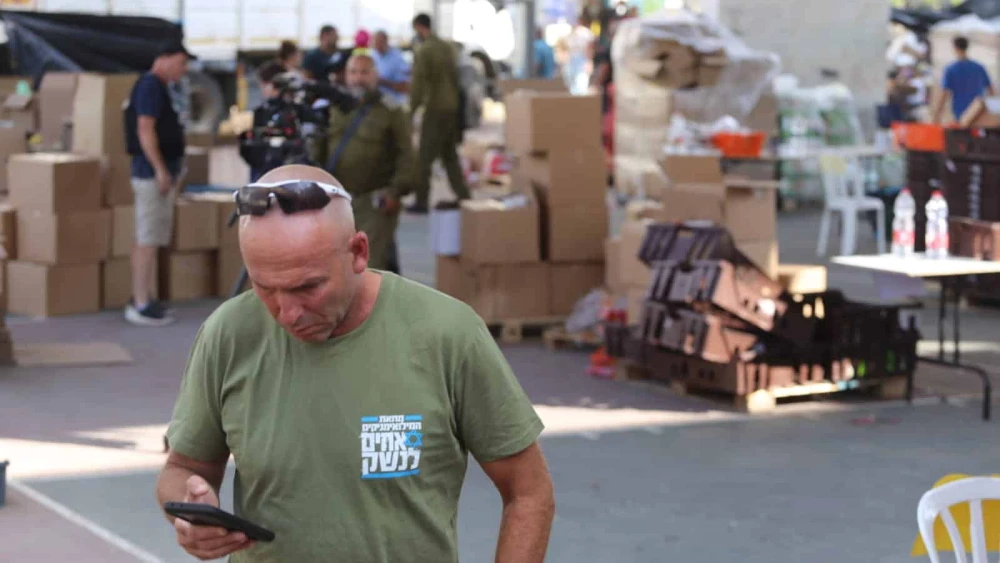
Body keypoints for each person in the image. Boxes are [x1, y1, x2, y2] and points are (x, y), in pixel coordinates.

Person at [155, 163, 555, 562]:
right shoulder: (228, 334)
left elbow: (528, 492)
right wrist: (189, 513)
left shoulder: (447, 334)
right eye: (265, 288)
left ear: (359, 252)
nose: (287, 312)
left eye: (307, 287)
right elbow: (182, 468)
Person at [309, 53, 413, 272]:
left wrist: (395, 192)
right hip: (336, 201)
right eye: (353, 72)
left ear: (376, 76)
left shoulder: (390, 110)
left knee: (367, 268)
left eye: (365, 72)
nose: (358, 78)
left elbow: (407, 155)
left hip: (374, 202)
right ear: (346, 76)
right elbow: (317, 149)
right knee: (336, 266)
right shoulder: (333, 107)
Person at [123, 40, 195, 326]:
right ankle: (140, 303)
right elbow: (145, 128)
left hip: (158, 172)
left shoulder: (159, 86)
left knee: (150, 238)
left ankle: (145, 297)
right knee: (147, 239)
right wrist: (161, 170)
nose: (184, 69)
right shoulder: (150, 86)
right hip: (152, 174)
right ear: (163, 59)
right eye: (181, 62)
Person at [408, 13, 470, 214]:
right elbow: (457, 79)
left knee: (423, 158)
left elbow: (418, 85)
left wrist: (410, 112)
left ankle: (421, 201)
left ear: (418, 27)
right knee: (449, 155)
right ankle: (464, 196)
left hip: (435, 108)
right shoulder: (447, 47)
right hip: (451, 107)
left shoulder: (424, 50)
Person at [933, 36, 994, 124]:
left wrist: (936, 116)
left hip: (961, 115)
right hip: (978, 114)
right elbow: (991, 91)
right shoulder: (979, 67)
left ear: (955, 48)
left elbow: (944, 95)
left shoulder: (951, 69)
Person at [372, 30, 411, 104]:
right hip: (376, 101)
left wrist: (383, 82)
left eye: (379, 42)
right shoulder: (372, 54)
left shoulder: (397, 57)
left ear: (386, 41)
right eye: (375, 42)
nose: (377, 45)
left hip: (394, 102)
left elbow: (405, 87)